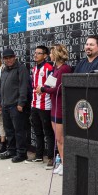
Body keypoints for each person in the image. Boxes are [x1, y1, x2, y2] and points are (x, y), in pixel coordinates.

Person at [36, 44, 72, 175]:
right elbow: (50, 85)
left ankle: (65, 164)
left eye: (51, 53)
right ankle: (62, 162)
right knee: (58, 139)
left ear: (56, 54)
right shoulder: (55, 69)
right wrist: (42, 89)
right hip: (54, 106)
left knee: (61, 139)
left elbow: (59, 89)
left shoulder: (64, 69)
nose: (50, 55)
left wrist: (43, 89)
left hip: (61, 107)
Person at [0, 48, 31, 163]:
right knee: (9, 130)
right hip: (5, 105)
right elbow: (1, 87)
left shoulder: (21, 69)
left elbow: (23, 87)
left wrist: (21, 103)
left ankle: (21, 153)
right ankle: (11, 150)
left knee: (19, 131)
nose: (8, 60)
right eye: (6, 58)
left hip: (16, 106)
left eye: (10, 57)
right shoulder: (4, 70)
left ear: (14, 57)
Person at [27, 45, 55, 169]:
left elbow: (52, 86)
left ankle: (51, 158)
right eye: (35, 53)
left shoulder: (49, 68)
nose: (35, 55)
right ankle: (39, 156)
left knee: (48, 132)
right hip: (34, 104)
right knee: (37, 132)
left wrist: (44, 90)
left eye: (39, 53)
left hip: (46, 105)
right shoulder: (34, 69)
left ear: (45, 55)